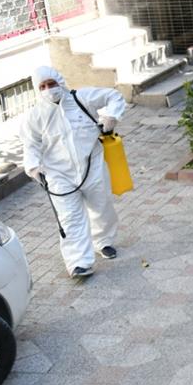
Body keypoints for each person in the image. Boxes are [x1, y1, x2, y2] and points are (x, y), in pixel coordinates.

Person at [20, 65, 127, 279]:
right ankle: (79, 262)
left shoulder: (82, 98)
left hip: (92, 165)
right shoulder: (35, 116)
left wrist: (110, 117)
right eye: (43, 86)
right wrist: (33, 166)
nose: (49, 89)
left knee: (102, 207)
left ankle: (103, 241)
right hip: (58, 174)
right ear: (37, 89)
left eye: (52, 84)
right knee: (69, 218)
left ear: (60, 82)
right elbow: (30, 144)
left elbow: (114, 96)